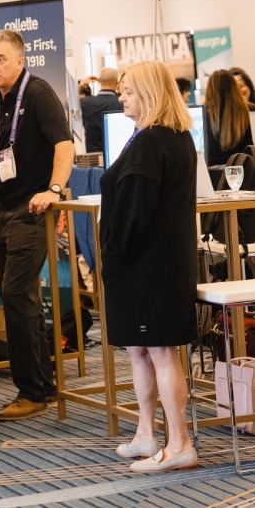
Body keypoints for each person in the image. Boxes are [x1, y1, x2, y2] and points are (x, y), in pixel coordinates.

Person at [0, 29, 74, 421]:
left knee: (14, 294)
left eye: (1, 59)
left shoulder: (39, 94)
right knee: (22, 299)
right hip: (4, 207)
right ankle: (42, 385)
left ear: (20, 60)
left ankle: (31, 391)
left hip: (33, 209)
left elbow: (64, 145)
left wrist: (54, 189)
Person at [100, 60, 198, 472]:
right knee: (141, 350)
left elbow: (133, 213)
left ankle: (179, 444)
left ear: (149, 94)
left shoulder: (151, 141)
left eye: (129, 91)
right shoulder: (173, 137)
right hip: (154, 262)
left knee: (159, 351)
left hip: (147, 265)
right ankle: (146, 434)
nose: (122, 97)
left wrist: (111, 253)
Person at [203, 69, 253, 167]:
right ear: (234, 88)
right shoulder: (244, 112)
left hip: (211, 172)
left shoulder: (204, 114)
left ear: (209, 90)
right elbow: (250, 148)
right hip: (241, 170)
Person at [79, 67, 123, 153]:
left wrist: (82, 84)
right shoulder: (122, 102)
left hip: (93, 156)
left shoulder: (85, 103)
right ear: (117, 83)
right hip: (117, 155)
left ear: (99, 81)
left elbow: (72, 104)